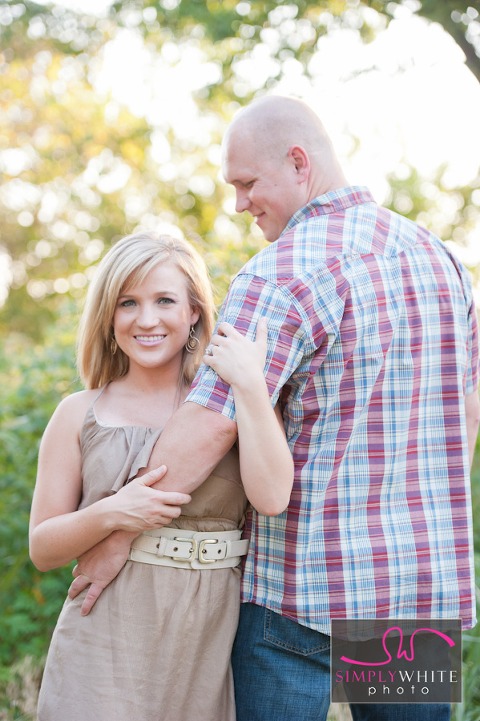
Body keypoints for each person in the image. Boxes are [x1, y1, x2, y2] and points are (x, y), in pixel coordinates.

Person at [69, 97, 480, 721]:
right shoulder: (443, 262)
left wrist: (117, 534)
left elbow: (210, 424)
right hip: (415, 587)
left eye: (247, 183)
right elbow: (466, 411)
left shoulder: (280, 272)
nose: (240, 203)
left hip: (300, 590)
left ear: (298, 163)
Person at [29, 230, 293, 721]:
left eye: (164, 300)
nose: (146, 319)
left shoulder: (229, 404)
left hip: (206, 634)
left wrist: (252, 386)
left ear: (194, 311)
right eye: (128, 302)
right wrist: (111, 513)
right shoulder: (79, 412)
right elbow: (43, 549)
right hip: (102, 635)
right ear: (108, 316)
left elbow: (273, 496)